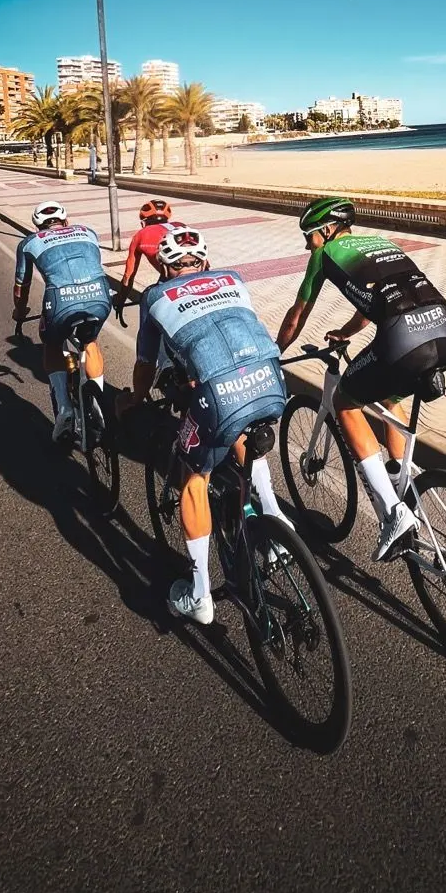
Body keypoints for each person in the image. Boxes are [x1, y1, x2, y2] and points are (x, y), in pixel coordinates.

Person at [126, 225, 292, 625]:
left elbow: (146, 363)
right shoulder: (232, 278)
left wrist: (134, 399)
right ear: (205, 262)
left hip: (217, 397)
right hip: (271, 382)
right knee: (242, 432)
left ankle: (200, 595)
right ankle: (274, 523)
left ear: (163, 269)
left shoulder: (153, 295)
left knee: (193, 477)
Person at [275, 197, 446, 561]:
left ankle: (393, 514)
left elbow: (297, 316)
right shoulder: (381, 244)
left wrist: (273, 353)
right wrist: (345, 331)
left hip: (402, 337)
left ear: (327, 230)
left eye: (308, 234)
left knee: (345, 402)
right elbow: (378, 301)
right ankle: (403, 484)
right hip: (443, 332)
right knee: (391, 398)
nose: (306, 243)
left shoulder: (324, 255)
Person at [12, 201, 112, 443]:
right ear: (66, 221)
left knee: (52, 345)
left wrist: (20, 311)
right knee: (91, 341)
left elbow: (21, 287)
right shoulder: (88, 231)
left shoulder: (29, 243)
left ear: (37, 227)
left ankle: (65, 408)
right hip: (99, 295)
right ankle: (98, 403)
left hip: (60, 301)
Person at [113, 198, 175, 323]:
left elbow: (128, 276)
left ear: (143, 223)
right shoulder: (181, 225)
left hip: (171, 279)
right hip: (204, 275)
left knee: (147, 300)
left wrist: (120, 300)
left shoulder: (140, 234)